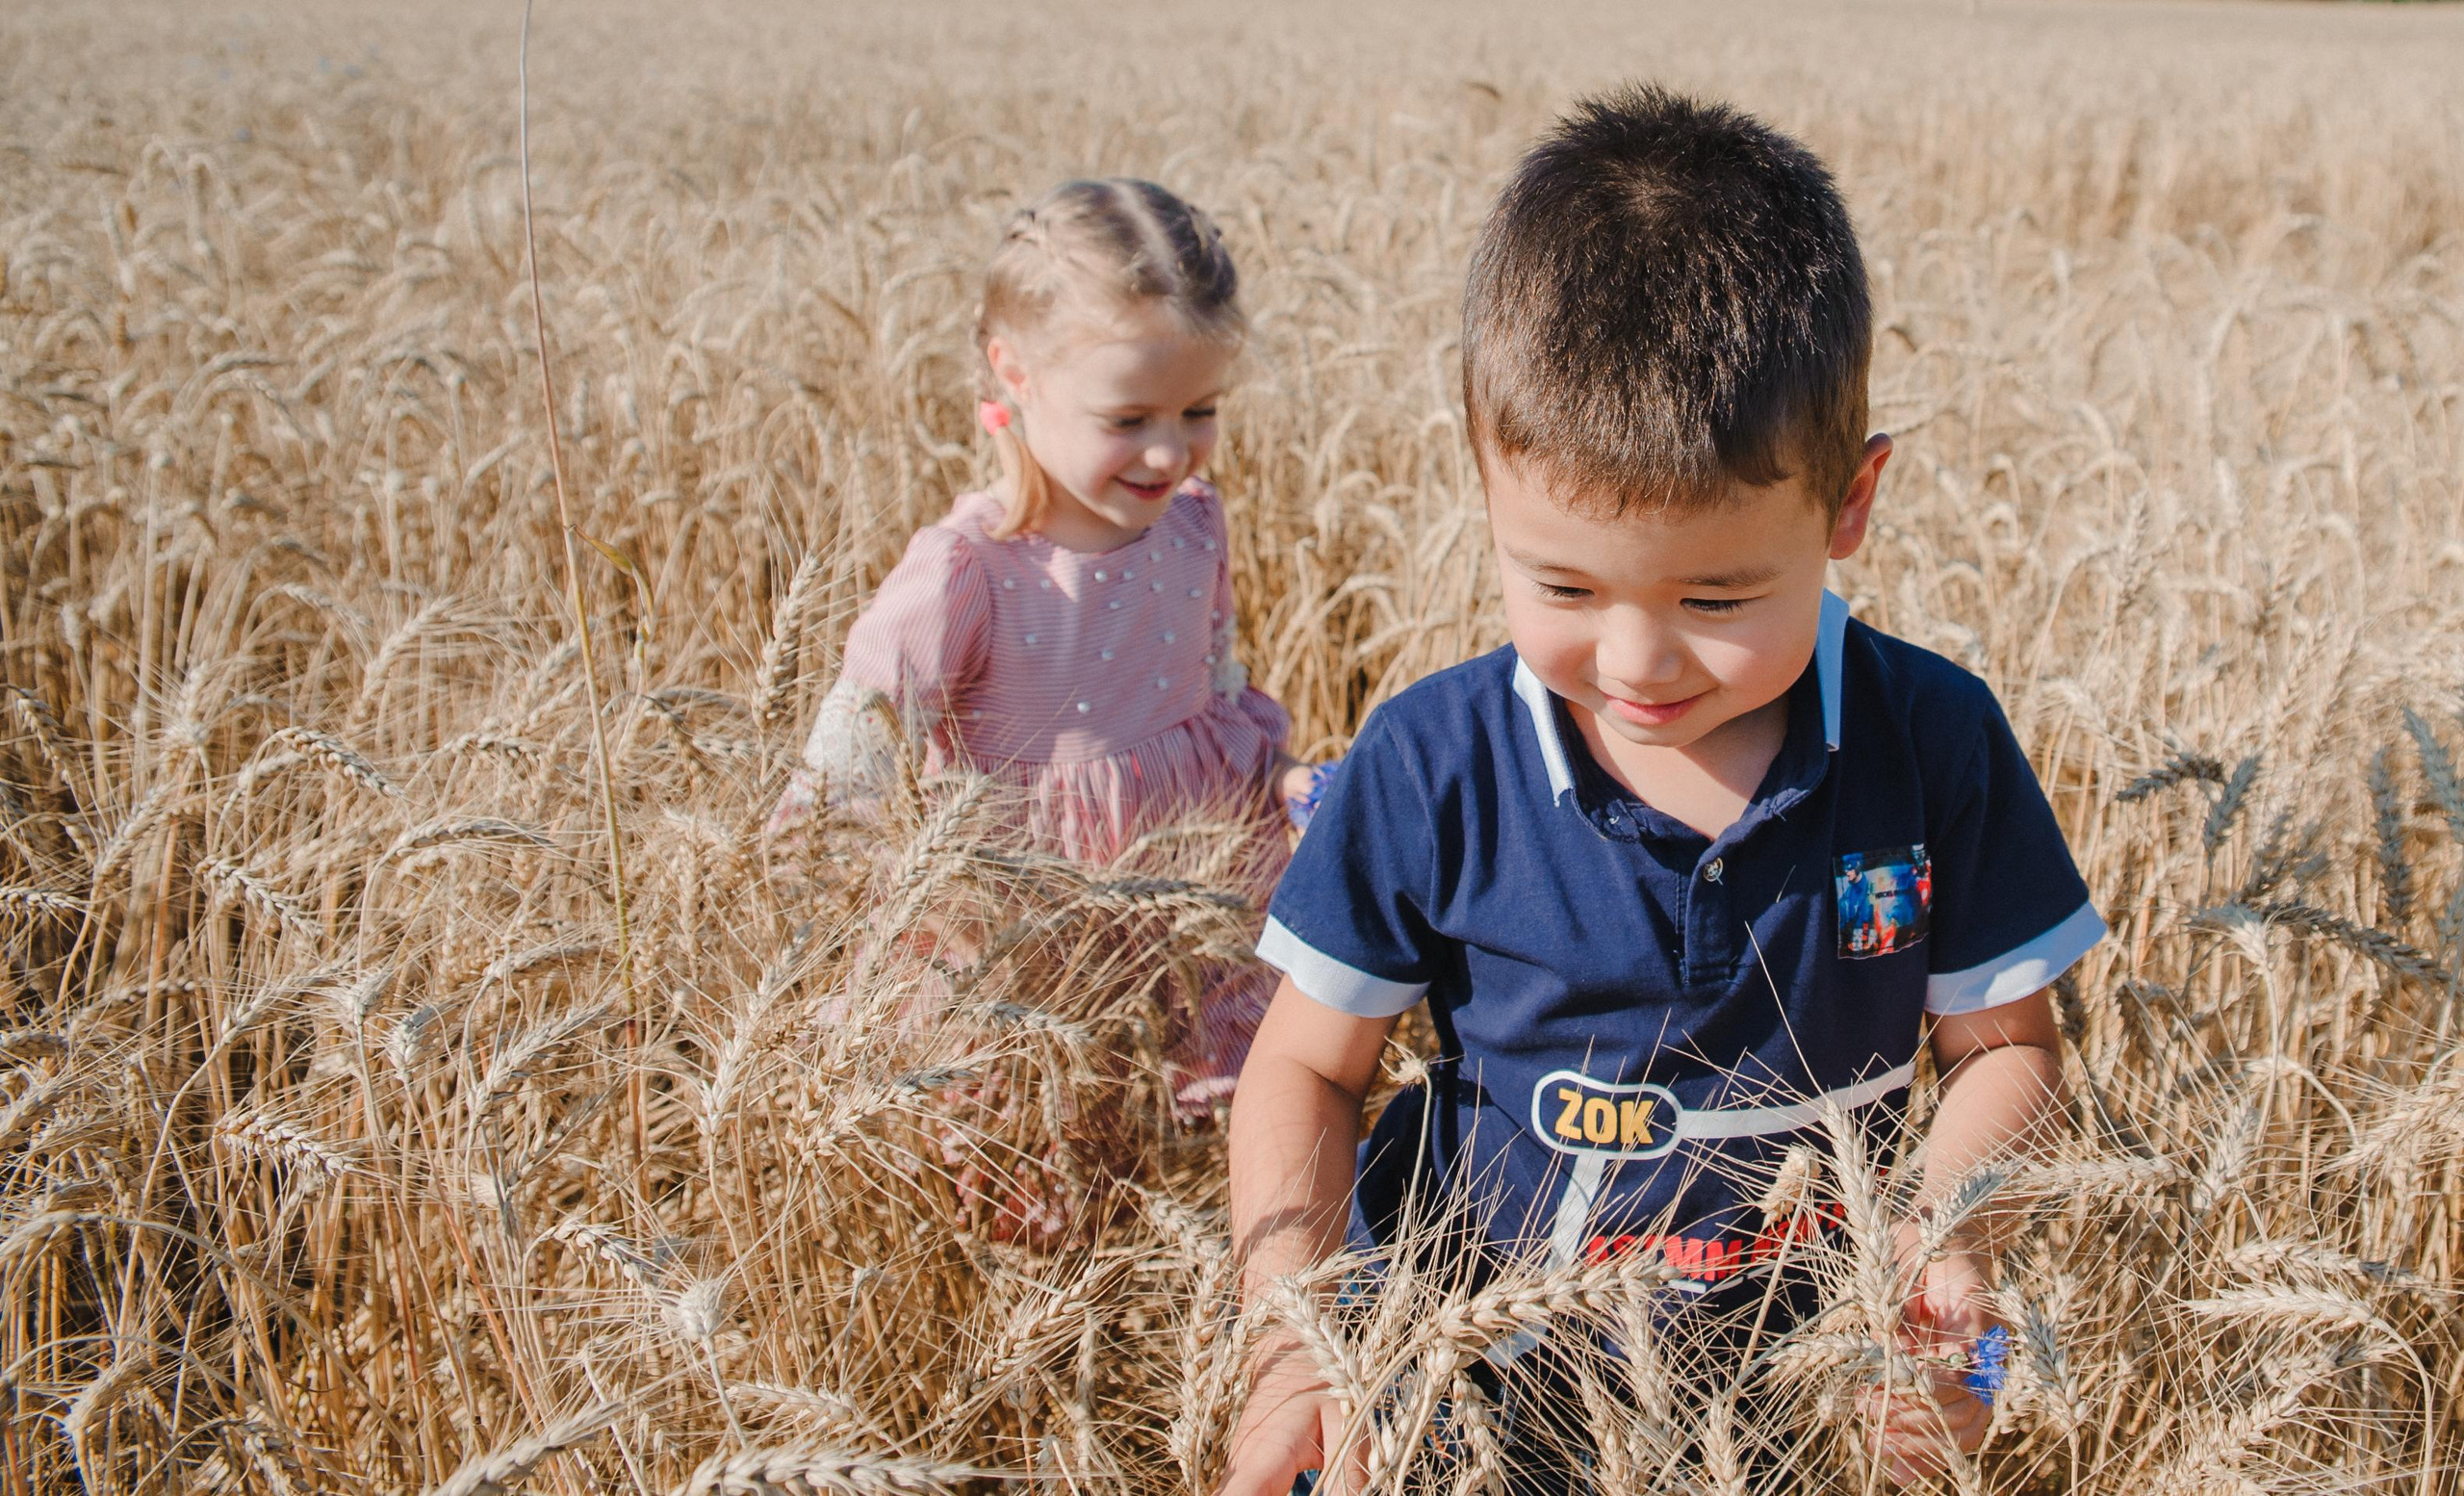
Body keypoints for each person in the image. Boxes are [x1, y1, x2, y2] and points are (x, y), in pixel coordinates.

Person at [1220, 87, 2103, 1493]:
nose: (1634, 659)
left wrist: (1953, 1250)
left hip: (1831, 1384)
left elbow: (2010, 1050)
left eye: (1718, 592)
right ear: (1485, 483)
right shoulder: (1431, 761)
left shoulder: (1933, 739)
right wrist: (1288, 1347)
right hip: (1475, 1378)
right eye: (1560, 583)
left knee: (1987, 1409)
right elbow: (1305, 1067)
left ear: (1852, 503)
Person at [771, 177, 1317, 1128]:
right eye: (1128, 419)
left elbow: (1219, 677)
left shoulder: (1193, 526)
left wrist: (1279, 776)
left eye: (1199, 410)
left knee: (1186, 1115)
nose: (1169, 455)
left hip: (1186, 880)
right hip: (1025, 921)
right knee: (1033, 1123)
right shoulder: (966, 571)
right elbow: (854, 744)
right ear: (1013, 374)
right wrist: (822, 865)